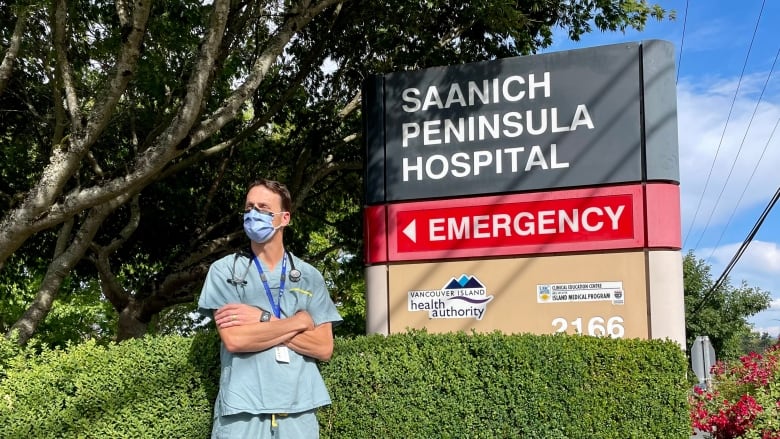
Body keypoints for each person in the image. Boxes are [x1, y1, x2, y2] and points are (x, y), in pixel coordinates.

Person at [198, 178, 342, 439]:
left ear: (284, 218)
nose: (254, 214)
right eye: (249, 207)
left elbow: (323, 347)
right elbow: (236, 339)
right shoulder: (225, 271)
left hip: (298, 412)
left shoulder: (309, 276)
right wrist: (299, 322)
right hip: (241, 412)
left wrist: (260, 320)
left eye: (263, 208)